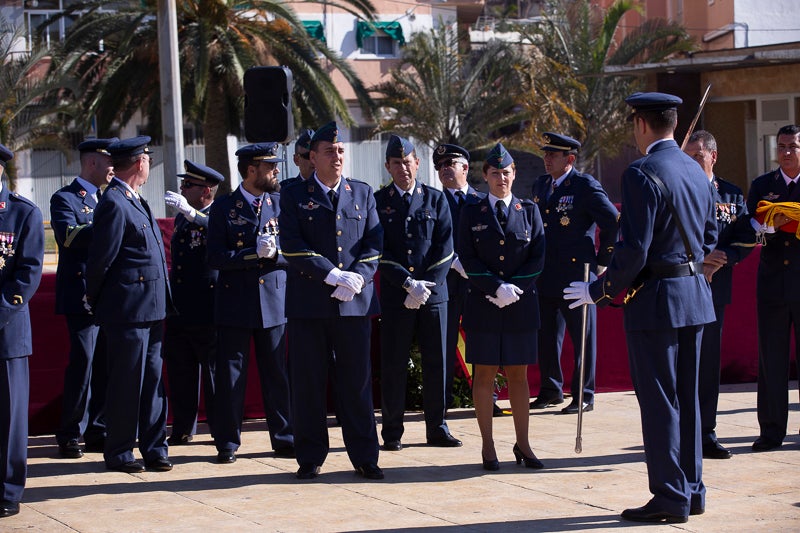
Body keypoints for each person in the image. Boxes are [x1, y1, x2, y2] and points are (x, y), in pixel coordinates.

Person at [564, 92, 716, 523]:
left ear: (642, 125)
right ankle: (692, 489)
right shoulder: (695, 168)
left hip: (656, 303)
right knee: (689, 399)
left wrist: (601, 289)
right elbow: (707, 238)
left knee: (661, 402)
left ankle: (670, 497)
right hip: (695, 298)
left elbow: (634, 248)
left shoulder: (642, 172)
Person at [279, 121, 384, 480]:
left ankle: (365, 457)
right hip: (309, 304)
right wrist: (331, 274)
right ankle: (310, 456)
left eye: (340, 151)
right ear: (312, 157)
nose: (337, 157)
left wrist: (357, 278)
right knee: (309, 382)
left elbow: (373, 243)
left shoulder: (363, 192)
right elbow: (291, 244)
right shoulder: (292, 194)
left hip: (354, 304)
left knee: (357, 383)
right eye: (329, 151)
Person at [85, 135, 174, 473]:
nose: (149, 163)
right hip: (127, 310)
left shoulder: (135, 199)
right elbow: (101, 260)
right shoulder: (114, 203)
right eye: (148, 158)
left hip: (151, 308)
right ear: (140, 163)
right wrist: (93, 297)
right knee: (127, 382)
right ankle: (120, 450)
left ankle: (154, 447)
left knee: (152, 381)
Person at [457, 142, 545, 471]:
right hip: (484, 304)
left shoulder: (529, 211)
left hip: (521, 306)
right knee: (485, 376)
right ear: (485, 176)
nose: (501, 178)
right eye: (495, 173)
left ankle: (523, 444)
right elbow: (467, 256)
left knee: (519, 378)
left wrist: (515, 288)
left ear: (514, 174)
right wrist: (495, 288)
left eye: (506, 173)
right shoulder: (471, 211)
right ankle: (488, 446)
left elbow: (538, 257)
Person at [207, 143, 294, 464]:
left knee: (278, 376)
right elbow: (215, 257)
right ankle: (227, 441)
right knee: (232, 378)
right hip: (236, 304)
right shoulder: (223, 208)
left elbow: (296, 252)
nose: (276, 171)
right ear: (251, 170)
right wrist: (249, 255)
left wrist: (276, 254)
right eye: (269, 166)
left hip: (274, 302)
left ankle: (284, 437)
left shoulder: (282, 204)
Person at [374, 135, 461, 451]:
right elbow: (376, 250)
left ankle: (437, 428)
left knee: (437, 363)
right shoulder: (377, 200)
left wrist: (425, 285)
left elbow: (446, 248)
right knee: (394, 364)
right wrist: (407, 283)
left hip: (434, 296)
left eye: (407, 162)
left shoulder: (436, 199)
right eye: (396, 163)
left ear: (418, 163)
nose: (403, 169)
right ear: (388, 166)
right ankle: (392, 432)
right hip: (398, 297)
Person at [530, 133, 618, 414]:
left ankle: (584, 394)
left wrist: (603, 261)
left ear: (569, 159)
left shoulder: (584, 186)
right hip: (546, 273)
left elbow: (614, 224)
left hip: (576, 273)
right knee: (546, 336)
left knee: (582, 338)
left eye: (553, 155)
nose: (547, 159)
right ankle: (550, 388)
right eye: (545, 154)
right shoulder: (541, 184)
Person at [684, 130, 754, 459]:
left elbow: (743, 236)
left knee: (708, 363)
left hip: (715, 289)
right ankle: (681, 433)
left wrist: (722, 258)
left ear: (713, 156)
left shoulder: (732, 194)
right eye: (689, 155)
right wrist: (700, 260)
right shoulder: (678, 191)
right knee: (682, 362)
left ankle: (706, 432)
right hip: (683, 285)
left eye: (699, 155)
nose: (694, 161)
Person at [51, 137, 117, 459]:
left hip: (108, 296)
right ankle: (70, 432)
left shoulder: (109, 199)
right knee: (84, 363)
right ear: (92, 163)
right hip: (80, 296)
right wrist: (109, 224)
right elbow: (68, 236)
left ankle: (98, 430)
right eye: (109, 163)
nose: (112, 169)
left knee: (105, 364)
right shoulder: (65, 198)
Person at [162, 160, 224, 446]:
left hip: (208, 305)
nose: (182, 189)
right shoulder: (181, 219)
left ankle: (221, 430)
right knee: (180, 370)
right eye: (183, 184)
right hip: (181, 305)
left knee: (213, 375)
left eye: (188, 185)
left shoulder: (218, 213)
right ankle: (183, 427)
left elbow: (220, 232)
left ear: (206, 191)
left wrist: (193, 214)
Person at [746, 124, 800, 452]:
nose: (786, 152)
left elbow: (774, 222)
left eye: (792, 146)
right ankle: (771, 431)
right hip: (773, 287)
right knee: (772, 362)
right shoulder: (763, 185)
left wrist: (779, 218)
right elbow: (754, 227)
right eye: (781, 146)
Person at [0, 144, 45, 518]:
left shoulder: (21, 213)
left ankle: (8, 491)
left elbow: (27, 275)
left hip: (6, 332)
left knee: (10, 418)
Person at [432, 143, 488, 411]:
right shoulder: (434, 201)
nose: (444, 169)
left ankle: (487, 399)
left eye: (449, 164)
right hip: (447, 285)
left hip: (477, 286)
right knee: (443, 347)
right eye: (439, 166)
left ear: (465, 168)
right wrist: (454, 262)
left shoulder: (482, 202)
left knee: (481, 344)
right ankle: (441, 405)